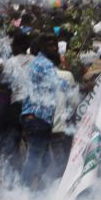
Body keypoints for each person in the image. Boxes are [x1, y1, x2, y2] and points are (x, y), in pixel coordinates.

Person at [18, 34, 67, 190]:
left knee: (44, 158)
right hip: (39, 116)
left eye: (55, 45)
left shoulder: (37, 63)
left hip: (35, 116)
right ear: (42, 48)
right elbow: (58, 84)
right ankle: (23, 191)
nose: (54, 48)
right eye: (50, 45)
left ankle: (38, 193)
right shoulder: (45, 64)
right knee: (34, 156)